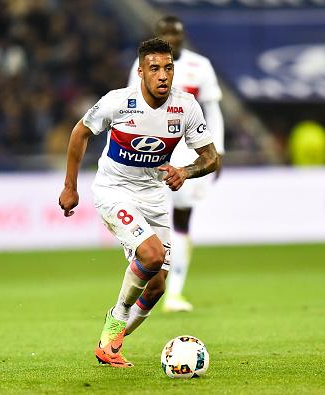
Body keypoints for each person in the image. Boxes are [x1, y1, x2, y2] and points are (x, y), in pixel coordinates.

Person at [58, 38, 219, 368]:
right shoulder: (119, 102)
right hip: (113, 190)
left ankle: (109, 346)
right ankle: (115, 322)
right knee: (152, 254)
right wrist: (69, 187)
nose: (163, 75)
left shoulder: (186, 107)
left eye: (169, 68)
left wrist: (185, 172)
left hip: (154, 196)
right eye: (155, 68)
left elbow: (211, 157)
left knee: (158, 285)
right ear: (141, 71)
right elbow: (80, 132)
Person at [127, 15, 225, 313]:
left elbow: (213, 110)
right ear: (156, 35)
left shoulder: (200, 66)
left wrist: (216, 151)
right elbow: (131, 105)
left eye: (176, 33)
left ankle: (175, 293)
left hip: (187, 155)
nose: (172, 37)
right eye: (165, 32)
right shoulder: (141, 66)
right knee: (146, 222)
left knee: (181, 220)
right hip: (151, 154)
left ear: (183, 36)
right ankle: (145, 286)